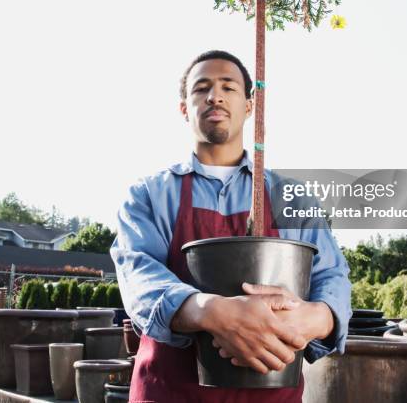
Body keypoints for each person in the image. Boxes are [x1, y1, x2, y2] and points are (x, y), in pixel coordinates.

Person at [111, 50, 352, 402]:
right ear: (184, 108)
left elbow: (332, 276)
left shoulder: (291, 197)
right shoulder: (149, 195)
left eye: (228, 86)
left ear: (250, 106)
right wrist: (211, 311)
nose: (215, 96)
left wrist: (314, 318)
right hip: (170, 392)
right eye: (202, 88)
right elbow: (138, 276)